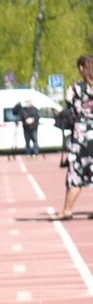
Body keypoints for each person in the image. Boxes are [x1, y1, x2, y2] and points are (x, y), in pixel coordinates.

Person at [58, 55, 93, 220]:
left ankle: (67, 209)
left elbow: (70, 109)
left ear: (81, 69)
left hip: (82, 136)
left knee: (76, 173)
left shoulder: (77, 89)